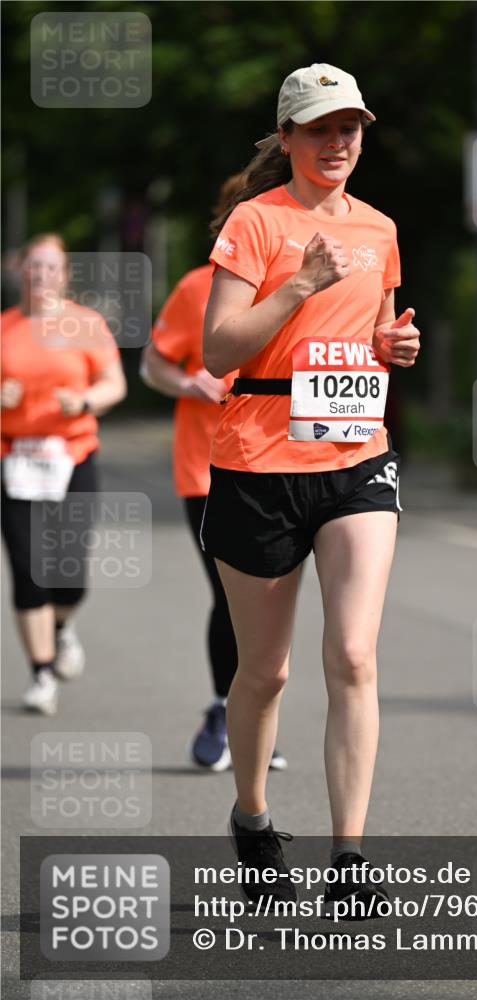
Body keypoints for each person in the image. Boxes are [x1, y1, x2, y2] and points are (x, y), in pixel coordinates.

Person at [200, 63, 420, 914]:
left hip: (355, 456)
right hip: (257, 462)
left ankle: (349, 858)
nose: (338, 143)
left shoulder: (381, 229)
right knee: (267, 671)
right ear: (286, 138)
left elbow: (377, 337)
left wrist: (394, 349)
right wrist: (300, 284)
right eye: (320, 128)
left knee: (355, 656)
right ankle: (253, 819)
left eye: (350, 128)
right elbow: (219, 351)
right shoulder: (255, 224)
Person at [140, 175, 287, 773]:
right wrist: (186, 381)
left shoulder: (305, 284)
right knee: (230, 597)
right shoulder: (198, 287)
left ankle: (253, 717)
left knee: (271, 604)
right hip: (207, 470)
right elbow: (154, 362)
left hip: (284, 463)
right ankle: (224, 710)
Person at [1, 233, 126, 715]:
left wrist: (86, 402)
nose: (41, 276)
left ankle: (59, 627)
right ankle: (41, 672)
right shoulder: (5, 327)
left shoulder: (85, 324)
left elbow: (112, 382)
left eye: (50, 267)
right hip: (12, 459)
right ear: (20, 272)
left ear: (65, 274)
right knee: (27, 567)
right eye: (33, 267)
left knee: (68, 571)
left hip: (71, 457)